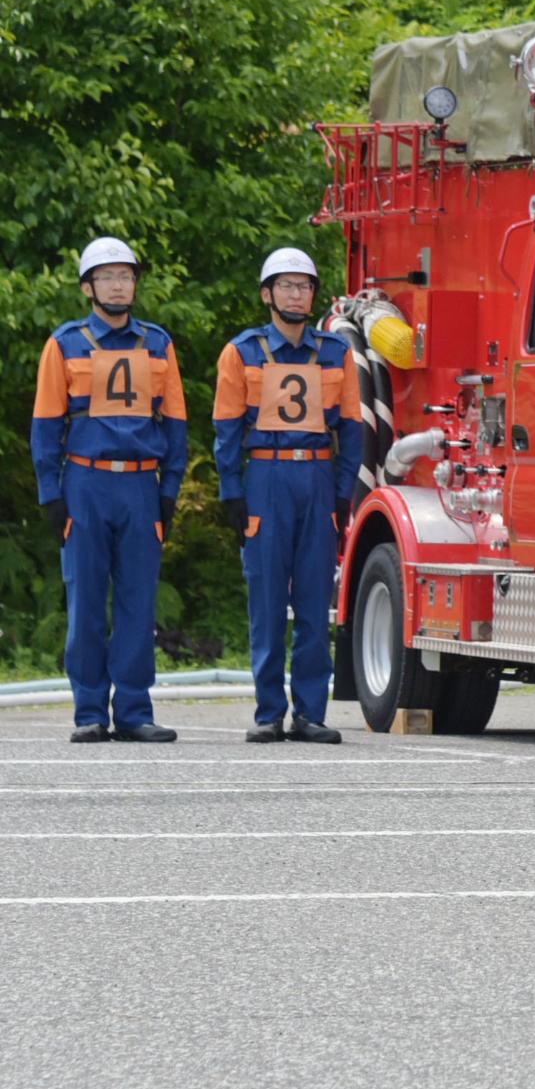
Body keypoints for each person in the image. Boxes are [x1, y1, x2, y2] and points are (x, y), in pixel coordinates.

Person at [30, 237, 187, 744]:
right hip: (86, 483)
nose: (119, 285)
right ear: (88, 286)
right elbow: (45, 426)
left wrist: (171, 490)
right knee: (87, 602)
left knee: (140, 604)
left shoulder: (158, 344)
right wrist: (51, 494)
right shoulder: (65, 343)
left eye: (127, 276)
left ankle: (136, 710)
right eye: (108, 276)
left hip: (142, 483)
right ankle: (90, 711)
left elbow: (177, 423)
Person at [215, 248, 365, 744]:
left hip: (317, 479)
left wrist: (344, 494)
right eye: (286, 286)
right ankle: (268, 712)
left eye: (304, 286)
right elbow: (226, 429)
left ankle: (310, 712)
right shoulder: (242, 352)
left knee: (314, 599)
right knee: (266, 599)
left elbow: (352, 430)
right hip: (265, 479)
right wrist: (232, 492)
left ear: (314, 296)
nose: (295, 294)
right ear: (267, 294)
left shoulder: (336, 353)